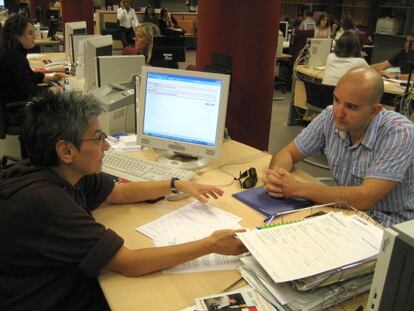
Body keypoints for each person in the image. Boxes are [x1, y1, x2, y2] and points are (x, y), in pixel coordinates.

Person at [0, 91, 247, 311]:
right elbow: (131, 263)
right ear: (66, 151)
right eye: (97, 138)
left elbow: (119, 193)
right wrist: (211, 244)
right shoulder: (48, 203)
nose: (106, 145)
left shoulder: (61, 171)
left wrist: (177, 184)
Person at [264, 67, 414, 227]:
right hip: (348, 212)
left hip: (392, 225)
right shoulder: (330, 117)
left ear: (374, 111)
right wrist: (278, 178)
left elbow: (365, 198)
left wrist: (297, 189)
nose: (338, 113)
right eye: (336, 100)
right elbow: (288, 152)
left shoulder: (399, 133)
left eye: (351, 107)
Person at [0, 14, 64, 119]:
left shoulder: (13, 53)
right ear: (17, 36)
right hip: (18, 110)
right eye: (30, 33)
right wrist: (52, 90)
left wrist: (50, 77)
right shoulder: (14, 58)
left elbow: (29, 76)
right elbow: (30, 92)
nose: (34, 36)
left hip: (16, 104)